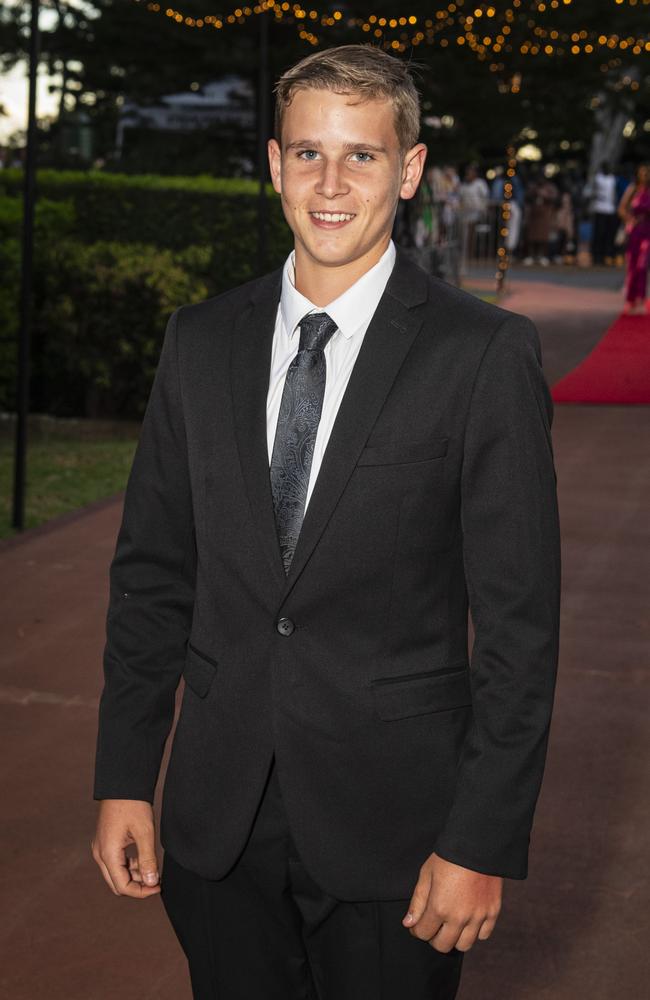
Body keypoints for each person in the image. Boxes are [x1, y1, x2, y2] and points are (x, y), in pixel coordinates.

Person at [91, 44, 561, 1000]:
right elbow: (151, 577)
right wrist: (124, 775)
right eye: (309, 154)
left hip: (398, 836)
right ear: (273, 164)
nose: (332, 183)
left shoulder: (483, 356)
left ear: (412, 169)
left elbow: (519, 630)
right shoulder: (200, 340)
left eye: (363, 156)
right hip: (218, 827)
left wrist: (479, 838)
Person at [618, 163, 650, 315]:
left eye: (647, 173)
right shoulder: (633, 190)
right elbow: (621, 208)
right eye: (642, 173)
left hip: (647, 231)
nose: (644, 176)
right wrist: (629, 220)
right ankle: (630, 300)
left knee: (642, 265)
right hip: (635, 231)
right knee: (632, 265)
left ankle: (641, 299)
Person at [522, 169, 559, 266]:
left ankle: (542, 256)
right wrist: (535, 193)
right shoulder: (532, 187)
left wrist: (545, 195)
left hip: (545, 213)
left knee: (543, 236)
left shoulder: (550, 187)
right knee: (531, 236)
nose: (540, 180)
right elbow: (526, 198)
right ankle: (530, 255)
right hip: (534, 213)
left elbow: (555, 198)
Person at [587, 161, 619, 266]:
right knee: (598, 233)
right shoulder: (598, 178)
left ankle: (607, 256)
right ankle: (597, 256)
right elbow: (592, 191)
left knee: (609, 234)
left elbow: (614, 193)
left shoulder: (612, 179)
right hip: (599, 209)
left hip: (610, 209)